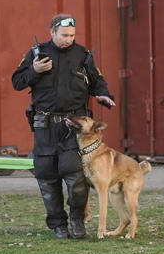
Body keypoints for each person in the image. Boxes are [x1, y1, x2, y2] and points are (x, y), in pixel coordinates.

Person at [12, 13, 115, 239]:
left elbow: (97, 81)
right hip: (46, 125)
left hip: (74, 127)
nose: (68, 39)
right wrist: (35, 71)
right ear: (52, 33)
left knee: (76, 177)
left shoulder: (83, 55)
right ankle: (58, 224)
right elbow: (16, 82)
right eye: (64, 35)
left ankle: (78, 221)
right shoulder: (36, 53)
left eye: (72, 35)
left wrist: (103, 95)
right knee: (47, 177)